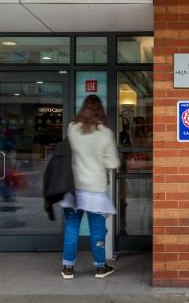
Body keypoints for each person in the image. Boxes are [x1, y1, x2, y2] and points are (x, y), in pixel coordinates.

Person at [59, 95, 120, 280]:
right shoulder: (105, 132)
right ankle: (100, 267)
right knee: (97, 229)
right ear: (100, 110)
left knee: (71, 227)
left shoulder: (72, 128)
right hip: (95, 189)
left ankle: (68, 268)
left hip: (73, 187)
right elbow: (113, 163)